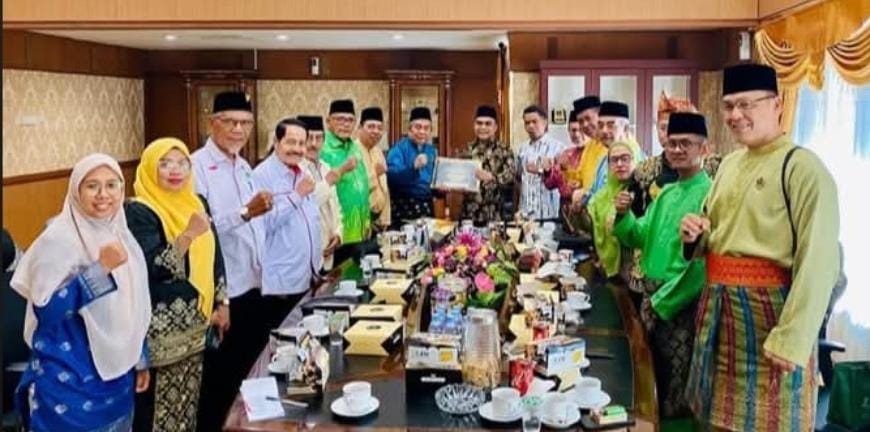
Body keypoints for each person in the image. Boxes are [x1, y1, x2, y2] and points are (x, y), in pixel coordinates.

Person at [681, 63, 840, 432]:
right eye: (729, 106)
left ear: (777, 104)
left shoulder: (803, 168)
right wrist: (695, 234)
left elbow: (819, 262)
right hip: (719, 315)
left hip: (770, 324)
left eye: (747, 104)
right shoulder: (728, 165)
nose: (735, 115)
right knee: (714, 420)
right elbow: (714, 231)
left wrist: (792, 339)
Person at [12, 153, 151, 432]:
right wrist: (100, 270)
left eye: (111, 185)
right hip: (69, 384)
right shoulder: (57, 239)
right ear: (76, 190)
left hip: (118, 380)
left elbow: (134, 306)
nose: (103, 195)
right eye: (92, 186)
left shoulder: (121, 234)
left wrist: (139, 358)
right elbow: (47, 311)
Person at [612, 112, 712, 419]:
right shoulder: (667, 192)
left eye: (686, 144)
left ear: (704, 148)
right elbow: (639, 235)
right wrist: (624, 215)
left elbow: (703, 264)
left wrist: (662, 302)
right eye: (672, 144)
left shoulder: (711, 194)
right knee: (649, 381)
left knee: (674, 390)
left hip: (678, 303)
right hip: (652, 298)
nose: (677, 150)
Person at [126, 138, 228, 431]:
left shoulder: (197, 202)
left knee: (189, 409)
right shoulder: (139, 211)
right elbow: (154, 267)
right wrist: (188, 235)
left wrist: (223, 301)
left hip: (197, 327)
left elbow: (215, 255)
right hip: (162, 338)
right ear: (150, 168)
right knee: (157, 415)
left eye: (182, 163)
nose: (175, 170)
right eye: (165, 163)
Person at [190, 91, 273, 432]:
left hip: (254, 283)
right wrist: (244, 212)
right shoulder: (196, 166)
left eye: (246, 123)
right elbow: (200, 230)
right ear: (212, 123)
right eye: (231, 122)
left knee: (250, 369)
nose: (239, 130)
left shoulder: (244, 166)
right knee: (220, 379)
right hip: (224, 292)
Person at [253, 118, 322, 318]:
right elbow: (263, 225)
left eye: (301, 143)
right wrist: (296, 195)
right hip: (281, 284)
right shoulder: (261, 176)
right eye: (291, 142)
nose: (297, 149)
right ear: (276, 142)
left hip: (308, 276)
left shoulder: (302, 171)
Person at [320, 99, 371, 265]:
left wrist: (367, 221)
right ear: (328, 121)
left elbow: (363, 187)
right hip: (338, 233)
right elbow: (319, 191)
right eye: (340, 119)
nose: (345, 124)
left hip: (359, 229)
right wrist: (342, 169)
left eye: (350, 120)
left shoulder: (354, 147)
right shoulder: (322, 148)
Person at [582, 142, 639, 279]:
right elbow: (589, 228)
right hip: (606, 270)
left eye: (625, 159)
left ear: (634, 160)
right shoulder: (600, 197)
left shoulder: (641, 192)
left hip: (635, 270)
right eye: (614, 160)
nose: (619, 164)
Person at [459, 105, 517, 225]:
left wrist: (492, 178)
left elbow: (511, 178)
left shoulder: (504, 151)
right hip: (468, 214)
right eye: (479, 123)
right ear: (474, 125)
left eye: (487, 124)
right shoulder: (466, 150)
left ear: (495, 127)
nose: (483, 127)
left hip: (495, 214)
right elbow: (459, 176)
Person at [299, 115, 343, 271]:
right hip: (307, 254)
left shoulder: (326, 167)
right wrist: (328, 182)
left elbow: (336, 207)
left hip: (330, 250)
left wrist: (338, 234)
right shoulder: (296, 170)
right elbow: (307, 204)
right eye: (309, 138)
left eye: (318, 138)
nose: (313, 144)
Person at [387, 107, 439, 222]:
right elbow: (391, 177)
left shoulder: (431, 151)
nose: (422, 132)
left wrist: (441, 188)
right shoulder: (398, 149)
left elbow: (433, 182)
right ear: (410, 129)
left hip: (427, 207)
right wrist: (413, 167)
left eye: (426, 128)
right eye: (418, 127)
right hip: (404, 208)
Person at [516, 105, 565, 220]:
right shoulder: (521, 149)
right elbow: (518, 179)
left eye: (534, 122)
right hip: (525, 212)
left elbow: (563, 179)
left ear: (545, 122)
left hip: (549, 213)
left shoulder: (558, 148)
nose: (531, 126)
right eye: (527, 123)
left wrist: (542, 170)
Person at [587, 101, 645, 197]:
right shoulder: (603, 160)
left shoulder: (636, 159)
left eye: (610, 125)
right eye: (600, 126)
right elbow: (595, 193)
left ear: (625, 128)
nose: (604, 131)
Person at [544, 109, 586, 232]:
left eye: (580, 130)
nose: (577, 134)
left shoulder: (597, 154)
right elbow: (550, 184)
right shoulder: (566, 154)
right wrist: (548, 171)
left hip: (587, 213)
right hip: (565, 214)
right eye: (573, 130)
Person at [355, 107, 392, 231]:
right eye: (371, 126)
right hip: (359, 220)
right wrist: (375, 175)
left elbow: (384, 188)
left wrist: (385, 219)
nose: (376, 131)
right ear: (360, 128)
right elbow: (354, 189)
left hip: (378, 221)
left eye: (379, 128)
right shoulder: (352, 152)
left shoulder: (378, 152)